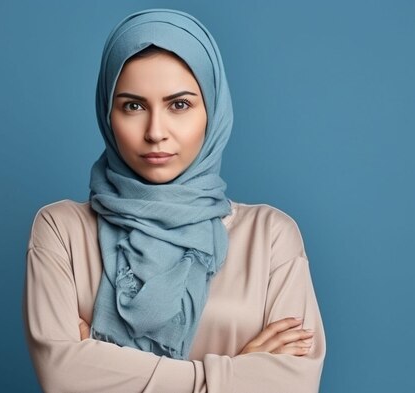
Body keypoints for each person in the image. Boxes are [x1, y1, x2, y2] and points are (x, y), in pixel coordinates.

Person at [23, 8, 325, 393]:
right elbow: (64, 379)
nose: (155, 132)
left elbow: (293, 386)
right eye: (133, 106)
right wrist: (234, 373)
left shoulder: (270, 236)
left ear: (212, 112)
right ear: (107, 112)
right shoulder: (61, 230)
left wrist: (101, 360)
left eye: (179, 104)